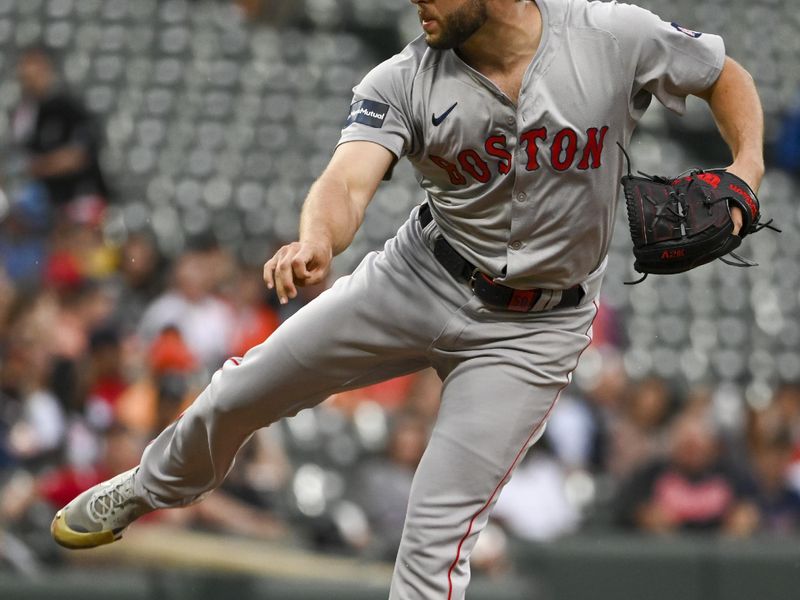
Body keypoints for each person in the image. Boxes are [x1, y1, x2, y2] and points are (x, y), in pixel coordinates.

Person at [51, 1, 765, 598]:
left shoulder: (613, 35)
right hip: (418, 277)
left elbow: (721, 74)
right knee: (237, 393)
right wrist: (317, 242)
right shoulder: (405, 77)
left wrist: (746, 170)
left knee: (433, 550)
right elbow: (346, 181)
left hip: (533, 332)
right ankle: (151, 485)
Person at [12, 46, 110, 218]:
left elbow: (77, 156)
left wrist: (33, 167)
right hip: (44, 207)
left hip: (77, 202)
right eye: (25, 76)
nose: (29, 80)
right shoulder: (24, 113)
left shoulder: (69, 109)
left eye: (35, 74)